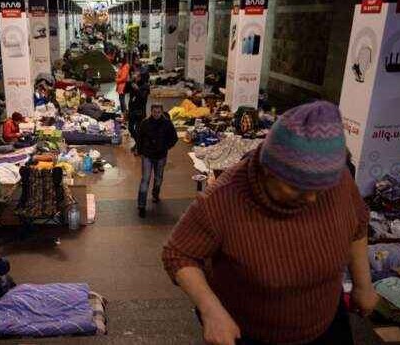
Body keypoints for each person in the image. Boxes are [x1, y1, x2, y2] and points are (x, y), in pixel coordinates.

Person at [162, 101, 379, 345]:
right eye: (297, 186)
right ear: (269, 169)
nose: (311, 197)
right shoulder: (224, 198)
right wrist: (211, 310)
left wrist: (363, 285)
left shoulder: (337, 181)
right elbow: (178, 254)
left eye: (321, 188)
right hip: (255, 333)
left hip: (327, 324)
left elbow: (358, 224)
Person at [137, 104, 178, 218]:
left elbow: (174, 138)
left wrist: (166, 147)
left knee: (158, 178)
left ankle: (155, 194)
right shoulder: (145, 123)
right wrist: (140, 151)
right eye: (154, 112)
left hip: (161, 155)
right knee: (145, 179)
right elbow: (139, 138)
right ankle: (141, 206)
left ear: (161, 112)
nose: (156, 114)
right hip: (147, 155)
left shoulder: (167, 124)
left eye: (158, 112)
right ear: (151, 112)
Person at [128, 67, 151, 152]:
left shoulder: (145, 86)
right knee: (130, 128)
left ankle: (139, 146)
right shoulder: (134, 83)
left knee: (138, 130)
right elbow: (128, 93)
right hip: (132, 110)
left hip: (139, 111)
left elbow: (143, 98)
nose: (136, 77)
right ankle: (138, 143)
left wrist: (137, 89)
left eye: (138, 76)